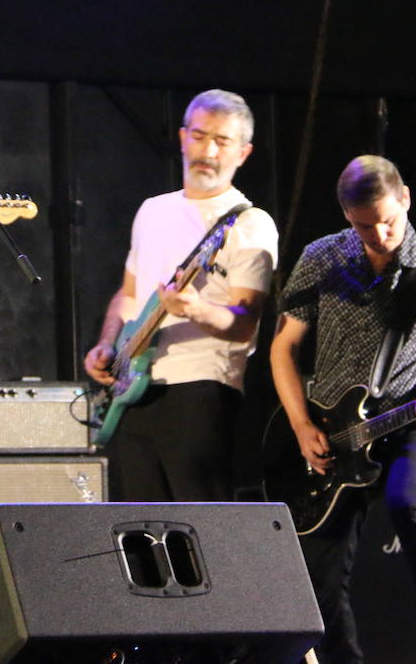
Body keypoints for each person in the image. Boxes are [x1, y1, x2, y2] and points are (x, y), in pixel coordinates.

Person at [270, 155, 416, 664]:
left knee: (409, 505)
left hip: (408, 421)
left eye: (387, 221)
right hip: (332, 428)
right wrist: (300, 425)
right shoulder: (321, 257)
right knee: (322, 562)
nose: (380, 235)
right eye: (365, 226)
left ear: (405, 199)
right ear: (346, 214)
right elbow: (283, 348)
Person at [83, 89, 278, 501]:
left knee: (199, 525)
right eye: (200, 136)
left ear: (243, 153)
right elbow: (128, 295)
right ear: (183, 137)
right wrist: (106, 345)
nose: (208, 151)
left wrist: (197, 309)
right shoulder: (153, 210)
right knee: (138, 524)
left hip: (200, 389)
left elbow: (244, 324)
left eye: (222, 141)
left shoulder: (249, 223)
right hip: (132, 389)